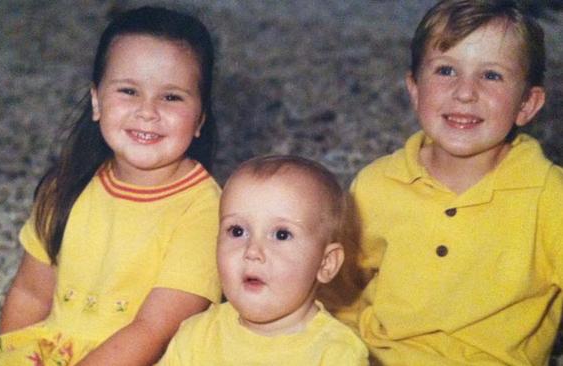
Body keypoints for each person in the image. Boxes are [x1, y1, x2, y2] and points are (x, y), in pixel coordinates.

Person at [0, 6, 221, 365]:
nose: (148, 110)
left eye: (171, 97)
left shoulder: (206, 209)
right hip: (55, 349)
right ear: (97, 101)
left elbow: (154, 331)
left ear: (200, 118)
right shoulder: (67, 185)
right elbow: (30, 295)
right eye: (129, 91)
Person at [329, 0, 563, 365]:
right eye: (445, 70)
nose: (465, 92)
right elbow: (338, 291)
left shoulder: (550, 196)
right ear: (415, 89)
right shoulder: (378, 184)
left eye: (491, 75)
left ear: (527, 105)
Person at [157, 155, 369, 365]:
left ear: (326, 263)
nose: (252, 251)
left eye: (281, 235)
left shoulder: (336, 354)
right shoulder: (197, 335)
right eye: (237, 231)